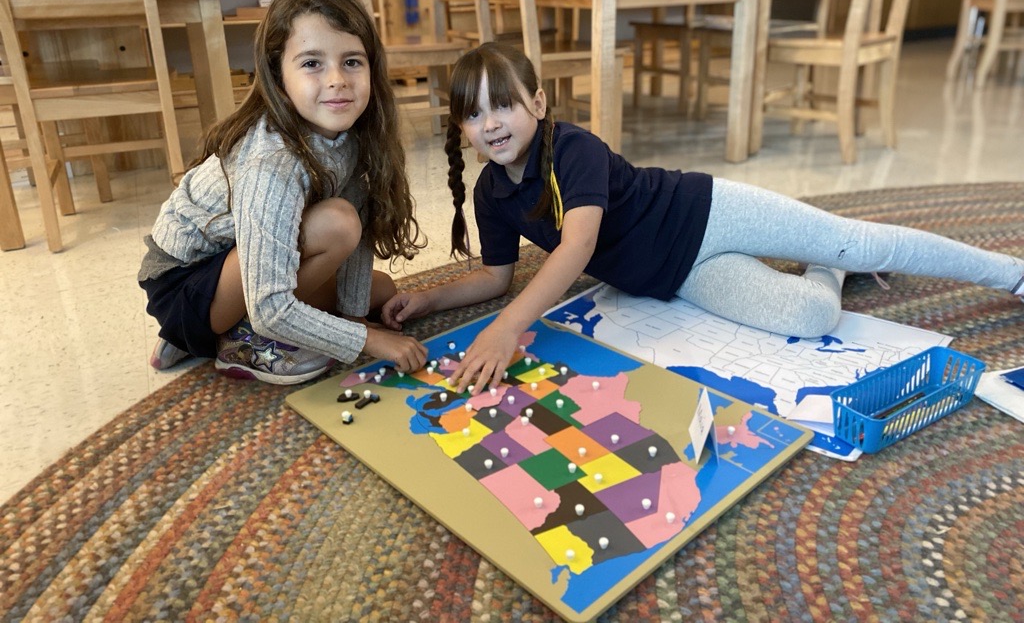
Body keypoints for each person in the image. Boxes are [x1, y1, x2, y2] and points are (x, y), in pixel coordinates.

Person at [381, 41, 1024, 394]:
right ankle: (825, 266)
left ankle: (1011, 274)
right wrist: (429, 299)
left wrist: (506, 330)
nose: (490, 124)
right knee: (810, 316)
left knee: (861, 242)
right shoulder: (495, 192)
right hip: (677, 274)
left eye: (505, 106)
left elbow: (575, 248)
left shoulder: (572, 148)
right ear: (460, 126)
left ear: (539, 103)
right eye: (473, 114)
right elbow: (496, 277)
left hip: (709, 211)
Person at [139, 0, 428, 385]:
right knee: (338, 223)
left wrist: (355, 317)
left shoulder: (353, 133)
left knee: (377, 290)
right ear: (278, 76)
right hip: (186, 285)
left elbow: (360, 245)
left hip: (235, 269)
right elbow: (270, 304)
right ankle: (236, 339)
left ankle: (209, 335)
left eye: (352, 62)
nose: (337, 80)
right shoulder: (271, 160)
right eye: (312, 63)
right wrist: (367, 340)